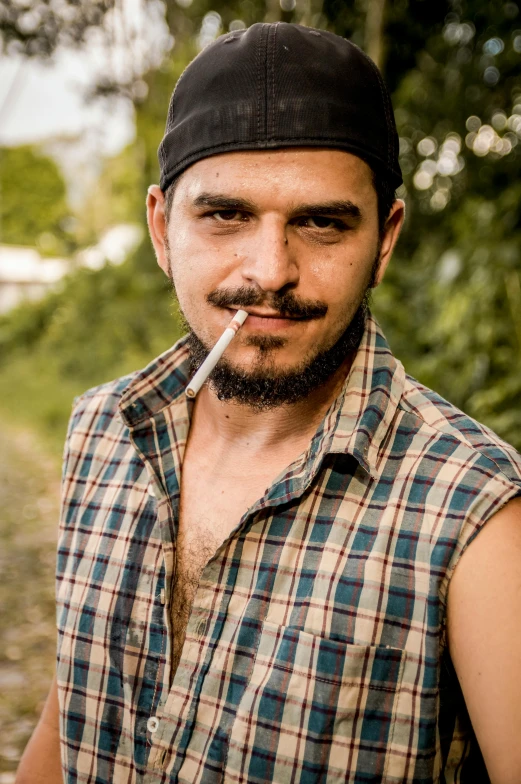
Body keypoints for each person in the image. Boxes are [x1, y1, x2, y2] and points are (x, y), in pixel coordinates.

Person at [16, 22, 521, 784]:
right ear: (161, 228)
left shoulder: (472, 512)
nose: (269, 270)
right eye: (224, 215)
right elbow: (83, 699)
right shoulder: (104, 429)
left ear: (383, 240)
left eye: (321, 223)